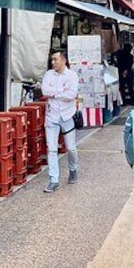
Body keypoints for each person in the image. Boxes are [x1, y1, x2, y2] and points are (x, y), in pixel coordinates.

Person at [40, 51, 80, 193]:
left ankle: (73, 169)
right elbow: (44, 90)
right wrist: (61, 91)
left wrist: (55, 93)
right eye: (52, 60)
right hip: (51, 116)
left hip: (67, 116)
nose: (53, 62)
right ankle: (53, 179)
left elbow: (71, 95)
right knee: (51, 148)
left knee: (71, 148)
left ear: (63, 60)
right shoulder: (48, 75)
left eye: (55, 60)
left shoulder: (72, 76)